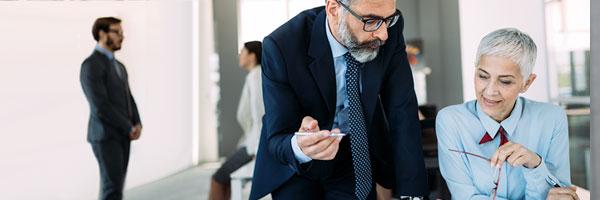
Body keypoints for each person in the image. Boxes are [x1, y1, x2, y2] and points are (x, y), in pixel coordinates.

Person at [250, 0, 428, 199]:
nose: (383, 34)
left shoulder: (388, 28)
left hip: (354, 153)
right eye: (371, 21)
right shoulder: (282, 46)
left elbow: (402, 110)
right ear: (334, 9)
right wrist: (302, 146)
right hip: (298, 166)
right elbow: (278, 134)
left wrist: (412, 195)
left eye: (388, 20)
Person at [436, 28, 579, 200]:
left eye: (505, 81)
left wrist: (535, 165)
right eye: (483, 76)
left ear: (527, 83)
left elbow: (561, 194)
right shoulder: (451, 121)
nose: (490, 91)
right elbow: (465, 197)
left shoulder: (552, 118)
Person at [80, 17, 142, 200]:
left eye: (122, 33)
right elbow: (100, 106)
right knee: (111, 189)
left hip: (122, 134)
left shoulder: (119, 66)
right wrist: (128, 126)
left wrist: (137, 122)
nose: (121, 37)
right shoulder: (91, 65)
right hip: (105, 135)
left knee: (117, 187)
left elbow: (128, 98)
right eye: (117, 32)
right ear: (102, 33)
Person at [209, 41, 264, 200]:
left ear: (252, 56)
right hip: (251, 143)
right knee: (223, 179)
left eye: (243, 52)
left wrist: (257, 149)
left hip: (253, 146)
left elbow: (259, 115)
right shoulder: (254, 75)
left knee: (218, 178)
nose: (240, 55)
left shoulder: (255, 76)